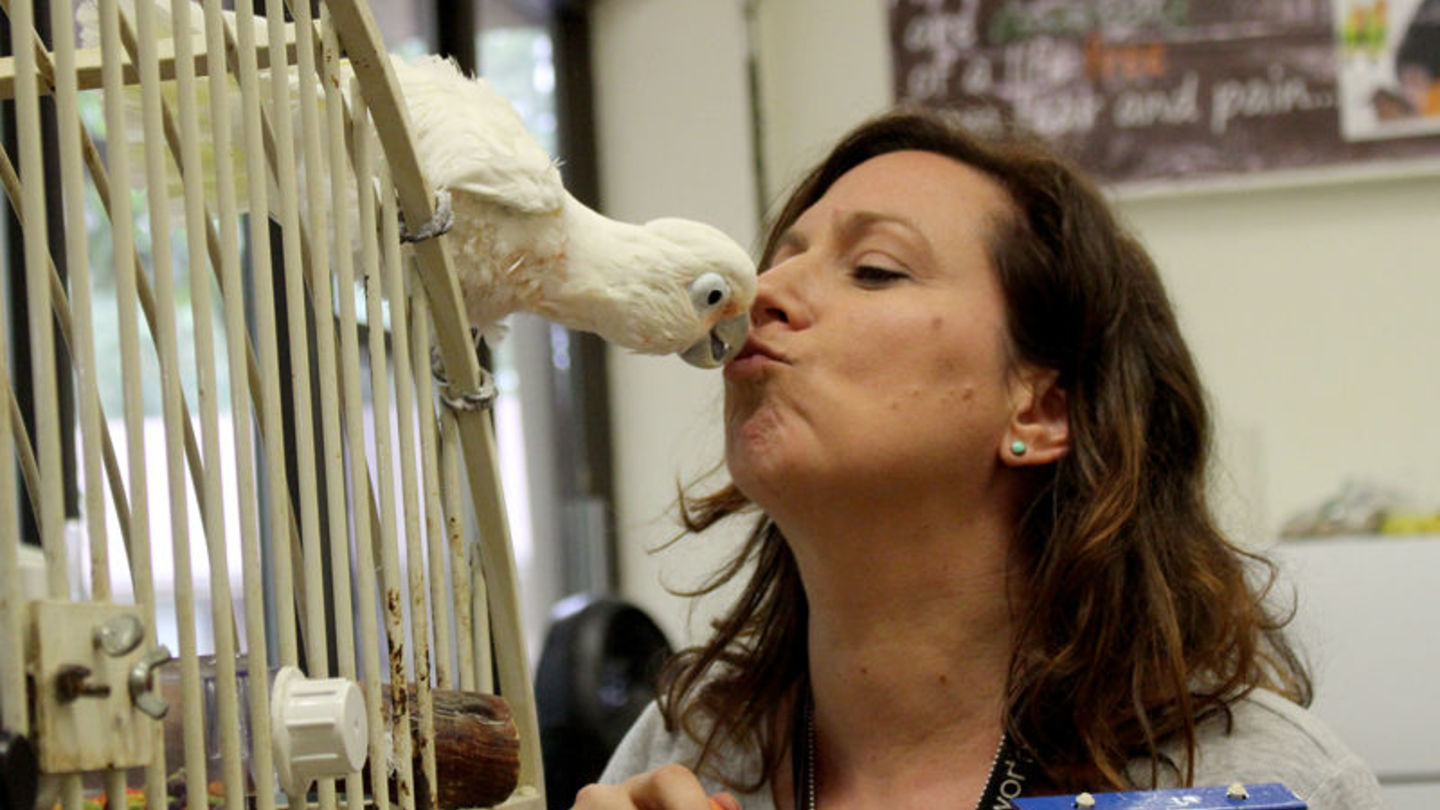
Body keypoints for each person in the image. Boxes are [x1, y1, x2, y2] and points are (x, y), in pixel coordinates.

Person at [572, 109, 1387, 810]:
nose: (761, 294)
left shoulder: (1256, 781)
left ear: (1040, 409)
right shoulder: (687, 749)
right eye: (779, 256)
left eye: (876, 271)